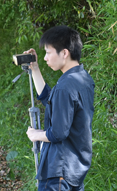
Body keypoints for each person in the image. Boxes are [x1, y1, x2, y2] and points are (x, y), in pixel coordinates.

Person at [24, 25, 95, 191]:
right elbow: (52, 101)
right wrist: (35, 69)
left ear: (64, 53)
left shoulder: (65, 86)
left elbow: (58, 133)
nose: (46, 58)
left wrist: (36, 135)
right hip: (75, 168)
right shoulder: (83, 78)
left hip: (58, 171)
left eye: (48, 52)